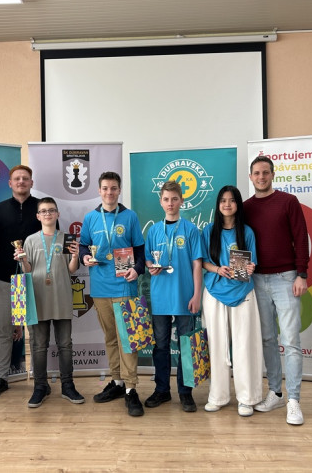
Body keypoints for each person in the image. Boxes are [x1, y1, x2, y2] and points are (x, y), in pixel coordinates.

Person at [244, 155, 309, 426]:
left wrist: (302, 274)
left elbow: (301, 237)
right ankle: (276, 393)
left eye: (265, 172)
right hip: (257, 280)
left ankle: (294, 400)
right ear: (250, 177)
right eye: (257, 173)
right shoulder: (245, 208)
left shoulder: (288, 201)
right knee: (268, 339)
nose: (261, 177)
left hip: (286, 278)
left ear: (272, 175)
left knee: (291, 341)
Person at [79, 172, 146, 417]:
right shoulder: (90, 218)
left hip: (124, 285)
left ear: (119, 190)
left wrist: (137, 270)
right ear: (99, 190)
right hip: (100, 288)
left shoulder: (130, 216)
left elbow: (140, 250)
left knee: (127, 339)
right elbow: (83, 245)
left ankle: (131, 388)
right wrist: (85, 257)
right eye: (105, 188)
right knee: (110, 338)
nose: (109, 192)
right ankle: (117, 382)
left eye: (114, 188)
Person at [16, 197, 85, 407]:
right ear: (38, 216)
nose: (48, 214)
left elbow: (71, 270)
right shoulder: (30, 240)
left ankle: (68, 386)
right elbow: (28, 270)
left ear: (57, 214)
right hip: (37, 298)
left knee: (65, 344)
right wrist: (23, 260)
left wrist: (75, 256)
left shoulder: (67, 238)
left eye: (51, 210)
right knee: (38, 345)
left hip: (61, 297)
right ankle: (40, 386)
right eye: (44, 211)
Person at [201, 185, 263, 417]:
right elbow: (203, 262)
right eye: (223, 201)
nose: (227, 204)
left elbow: (252, 263)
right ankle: (218, 396)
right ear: (218, 205)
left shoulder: (246, 232)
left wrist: (250, 267)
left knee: (244, 345)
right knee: (216, 345)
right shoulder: (208, 231)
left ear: (238, 204)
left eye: (232, 200)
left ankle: (247, 398)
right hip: (215, 292)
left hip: (243, 293)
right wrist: (218, 269)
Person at [0, 165, 42, 400]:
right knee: (5, 332)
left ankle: (40, 379)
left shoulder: (42, 209)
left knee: (36, 332)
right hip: (6, 280)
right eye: (17, 178)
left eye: (25, 178)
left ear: (31, 182)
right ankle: (1, 378)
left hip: (34, 279)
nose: (21, 182)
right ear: (10, 183)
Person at [144, 181, 202, 413]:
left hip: (184, 296)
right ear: (161, 202)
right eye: (166, 199)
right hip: (160, 297)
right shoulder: (154, 230)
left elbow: (197, 264)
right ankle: (162, 390)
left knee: (186, 345)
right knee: (161, 346)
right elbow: (148, 258)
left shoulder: (190, 229)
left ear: (181, 201)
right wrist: (151, 266)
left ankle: (186, 393)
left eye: (174, 199)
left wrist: (197, 294)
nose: (170, 203)